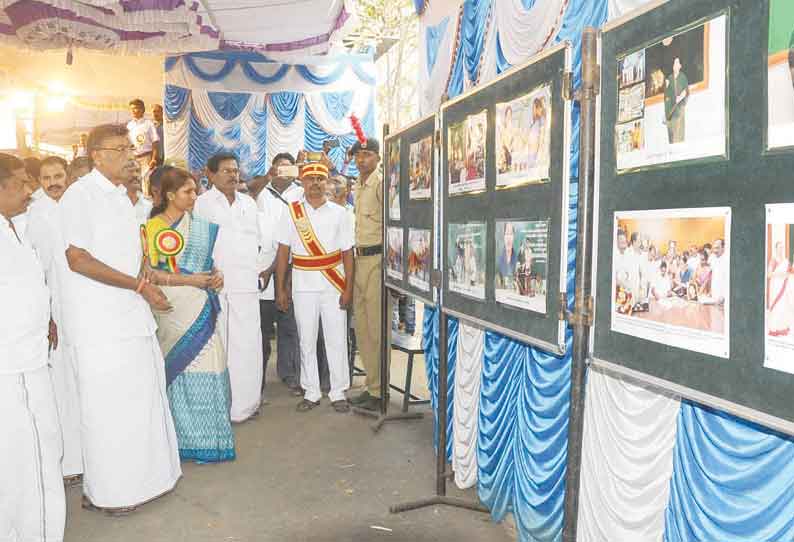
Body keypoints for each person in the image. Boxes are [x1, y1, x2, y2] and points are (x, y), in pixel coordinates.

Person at [58, 124, 181, 515]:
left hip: (131, 317)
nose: (131, 154)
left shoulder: (126, 198)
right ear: (96, 154)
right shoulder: (81, 196)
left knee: (143, 400)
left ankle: (149, 480)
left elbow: (135, 252)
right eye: (121, 148)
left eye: (131, 147)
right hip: (100, 323)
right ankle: (111, 493)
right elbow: (76, 259)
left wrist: (146, 279)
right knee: (108, 410)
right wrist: (138, 286)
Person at [143, 168, 235, 463]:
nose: (194, 196)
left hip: (201, 303)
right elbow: (150, 273)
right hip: (173, 307)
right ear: (170, 195)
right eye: (188, 192)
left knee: (212, 364)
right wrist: (191, 280)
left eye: (195, 191)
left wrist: (216, 275)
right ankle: (184, 441)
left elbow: (208, 265)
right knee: (182, 370)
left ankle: (214, 440)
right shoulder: (154, 226)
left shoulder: (200, 225)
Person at [0, 164, 66, 542]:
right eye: (22, 183)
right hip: (15, 368)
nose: (30, 190)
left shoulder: (16, 228)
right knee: (34, 459)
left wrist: (46, 318)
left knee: (24, 459)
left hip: (29, 361)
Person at [275, 162, 354, 413]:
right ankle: (311, 391)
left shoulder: (341, 213)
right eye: (310, 179)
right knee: (306, 339)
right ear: (302, 182)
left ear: (327, 181)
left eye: (321, 178)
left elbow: (348, 253)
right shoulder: (291, 212)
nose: (316, 183)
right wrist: (280, 289)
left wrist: (349, 288)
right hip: (303, 283)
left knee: (337, 338)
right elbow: (283, 252)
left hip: (333, 283)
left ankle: (338, 391)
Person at [25, 156, 84, 484]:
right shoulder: (34, 215)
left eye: (58, 175)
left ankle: (90, 457)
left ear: (69, 176)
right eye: (46, 178)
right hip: (55, 313)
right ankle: (69, 463)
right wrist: (46, 316)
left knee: (84, 383)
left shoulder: (80, 205)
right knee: (61, 386)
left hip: (86, 308)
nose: (53, 183)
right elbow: (37, 269)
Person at [194, 152, 265, 422]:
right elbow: (200, 244)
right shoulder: (201, 204)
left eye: (235, 170)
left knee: (248, 344)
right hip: (216, 285)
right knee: (219, 346)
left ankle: (247, 405)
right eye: (226, 171)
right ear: (211, 175)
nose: (233, 175)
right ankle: (221, 406)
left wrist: (258, 270)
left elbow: (260, 241)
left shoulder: (248, 202)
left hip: (246, 284)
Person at [256, 153, 303, 395]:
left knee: (289, 324)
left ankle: (290, 374)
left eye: (289, 168)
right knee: (263, 326)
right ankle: (257, 379)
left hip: (291, 267)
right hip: (264, 268)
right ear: (273, 169)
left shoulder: (299, 193)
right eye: (280, 168)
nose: (284, 172)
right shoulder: (262, 195)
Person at [350, 137, 385, 411]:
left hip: (377, 259)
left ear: (377, 157)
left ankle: (381, 390)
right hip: (359, 259)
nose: (361, 160)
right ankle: (372, 386)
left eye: (367, 154)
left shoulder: (382, 183)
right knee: (362, 328)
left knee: (376, 327)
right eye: (358, 155)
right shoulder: (358, 185)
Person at [127, 98, 160, 195]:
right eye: (132, 109)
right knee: (135, 183)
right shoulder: (129, 125)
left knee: (146, 183)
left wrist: (153, 158)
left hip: (146, 158)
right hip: (133, 158)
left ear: (142, 109)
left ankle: (147, 208)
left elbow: (155, 142)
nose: (134, 111)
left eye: (136, 108)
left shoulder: (149, 124)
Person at [768, 241, 792, 336]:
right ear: (776, 249)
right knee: (776, 307)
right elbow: (769, 274)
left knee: (783, 306)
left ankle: (782, 328)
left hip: (784, 286)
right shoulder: (773, 260)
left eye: (782, 248)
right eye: (779, 248)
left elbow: (789, 273)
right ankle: (774, 329)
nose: (781, 250)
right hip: (776, 286)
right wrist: (781, 274)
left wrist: (788, 274)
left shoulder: (786, 261)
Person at [664, 57, 689, 144]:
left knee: (678, 136)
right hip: (670, 111)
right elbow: (667, 98)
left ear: (680, 66)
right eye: (674, 63)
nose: (675, 65)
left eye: (677, 63)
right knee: (671, 137)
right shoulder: (669, 78)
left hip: (679, 110)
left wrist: (680, 97)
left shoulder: (682, 77)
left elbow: (686, 91)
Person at [124, 160, 153, 225]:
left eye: (138, 171)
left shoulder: (149, 206)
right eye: (130, 171)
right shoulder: (112, 202)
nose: (135, 175)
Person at [497, 222, 517, 288]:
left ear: (514, 236)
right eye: (507, 234)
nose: (509, 238)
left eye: (511, 234)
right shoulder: (498, 259)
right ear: (503, 236)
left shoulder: (517, 258)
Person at [710, 238, 728, 305]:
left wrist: (723, 296)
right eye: (714, 248)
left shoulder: (727, 260)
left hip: (723, 298)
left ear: (723, 248)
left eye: (717, 248)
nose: (715, 250)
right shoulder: (713, 259)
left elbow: (727, 281)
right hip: (714, 296)